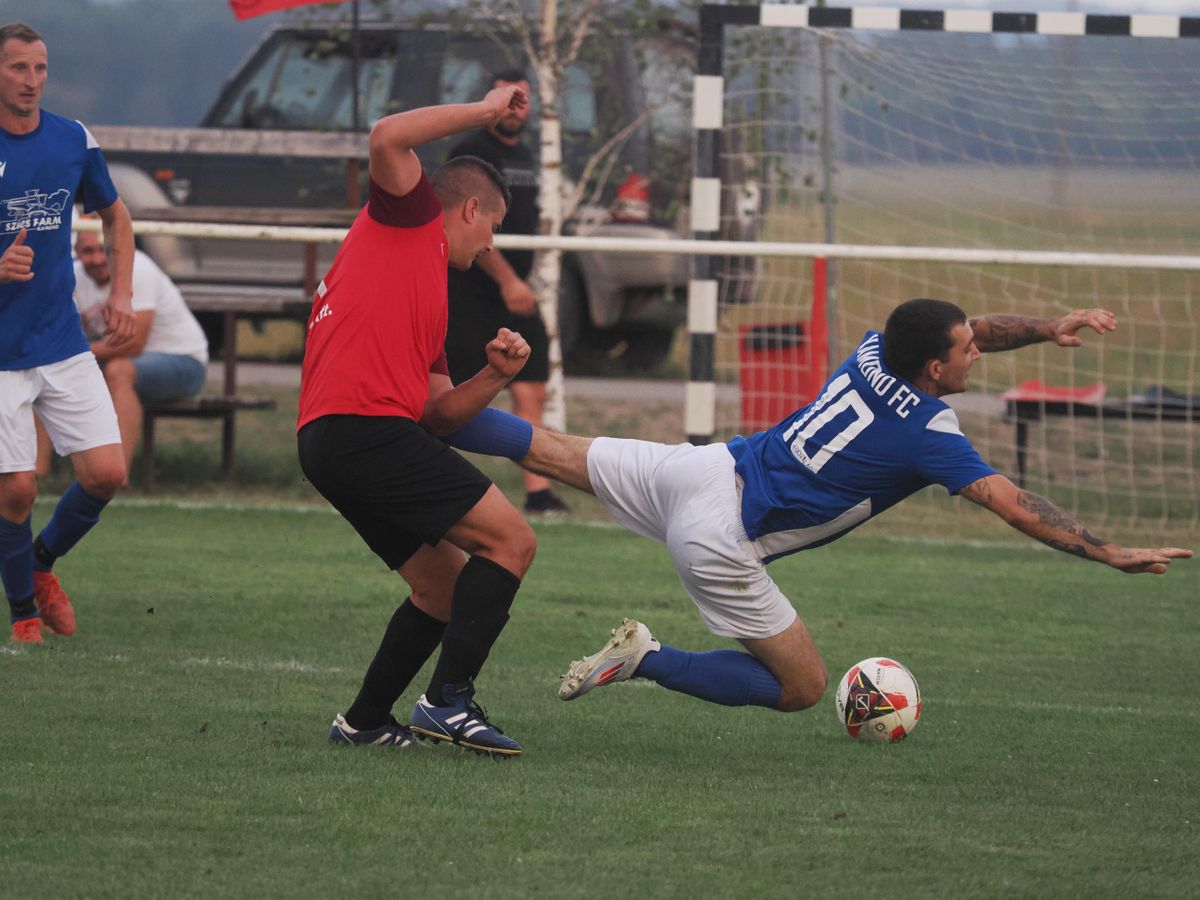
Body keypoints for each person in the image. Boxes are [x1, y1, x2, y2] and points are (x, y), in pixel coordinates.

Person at [512, 300, 1192, 717]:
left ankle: (427, 409)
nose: (976, 350)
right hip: (723, 537)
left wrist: (1047, 327)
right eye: (966, 350)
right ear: (933, 368)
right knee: (803, 688)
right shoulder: (929, 434)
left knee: (546, 451)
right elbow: (1014, 504)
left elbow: (971, 326)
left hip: (706, 468)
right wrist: (1107, 551)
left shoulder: (874, 350)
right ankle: (646, 660)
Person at [298, 84, 541, 757]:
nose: (491, 243)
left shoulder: (424, 288)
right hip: (359, 429)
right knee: (513, 541)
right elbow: (386, 137)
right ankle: (447, 702)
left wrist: (494, 377)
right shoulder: (407, 216)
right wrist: (487, 112)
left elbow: (436, 414)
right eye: (493, 227)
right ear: (469, 208)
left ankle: (366, 721)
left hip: (334, 441)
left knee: (442, 587)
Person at [0, 22, 136, 644]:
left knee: (107, 473)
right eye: (17, 68)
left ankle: (40, 563)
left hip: (59, 339)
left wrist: (123, 294)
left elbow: (116, 216)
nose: (31, 81)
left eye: (40, 68)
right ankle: (23, 615)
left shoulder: (72, 139)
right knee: (18, 489)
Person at [442, 69, 569, 516]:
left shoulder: (530, 154)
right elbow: (468, 227)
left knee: (532, 384)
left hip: (517, 292)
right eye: (511, 98)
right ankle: (429, 476)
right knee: (447, 393)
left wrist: (521, 282)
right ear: (493, 100)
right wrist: (507, 279)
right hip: (474, 292)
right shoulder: (472, 151)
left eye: (526, 100)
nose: (519, 108)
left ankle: (537, 492)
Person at [36, 223, 208, 473]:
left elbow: (133, 343)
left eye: (102, 250)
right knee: (44, 372)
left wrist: (69, 354)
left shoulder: (138, 267)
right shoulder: (73, 276)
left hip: (184, 362)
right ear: (76, 251)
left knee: (119, 370)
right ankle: (35, 475)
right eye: (87, 251)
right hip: (117, 359)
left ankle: (115, 476)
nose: (95, 259)